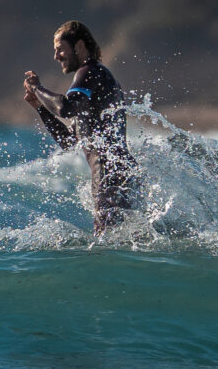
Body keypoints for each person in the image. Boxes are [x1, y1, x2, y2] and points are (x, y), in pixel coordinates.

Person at [23, 20, 138, 235]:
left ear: (79, 47)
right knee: (122, 241)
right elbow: (71, 141)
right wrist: (40, 108)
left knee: (108, 243)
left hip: (109, 175)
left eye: (60, 49)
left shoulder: (90, 72)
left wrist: (37, 88)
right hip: (117, 173)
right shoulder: (95, 79)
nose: (56, 56)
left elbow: (65, 108)